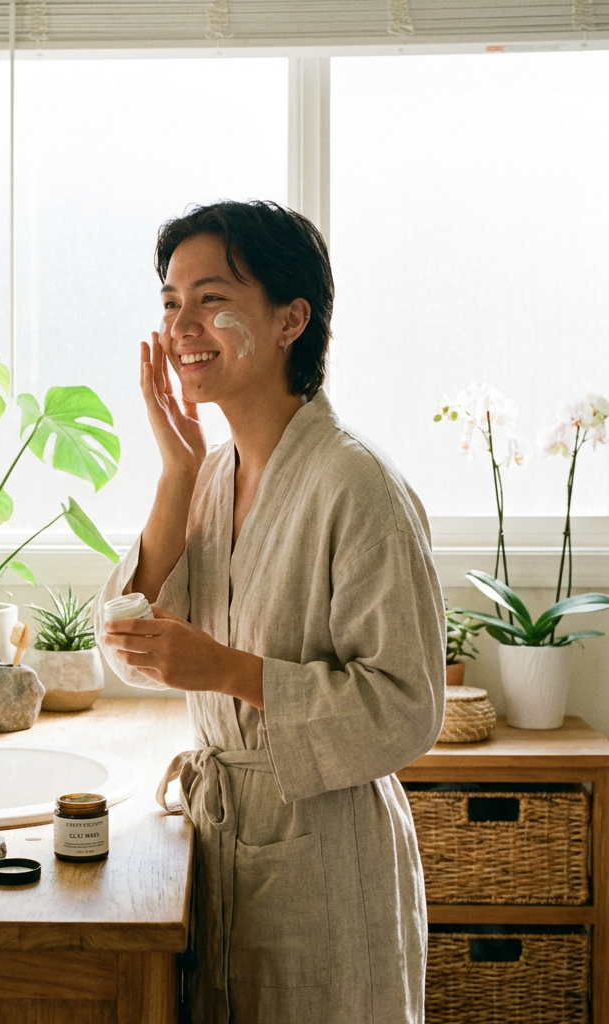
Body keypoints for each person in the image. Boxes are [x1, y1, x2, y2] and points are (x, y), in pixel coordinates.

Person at [97, 200, 445, 1023]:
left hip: (326, 854)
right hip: (225, 838)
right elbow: (126, 644)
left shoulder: (356, 485)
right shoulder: (211, 475)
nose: (185, 323)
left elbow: (407, 707)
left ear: (293, 319)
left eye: (213, 298)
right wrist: (175, 473)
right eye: (171, 301)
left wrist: (222, 669)